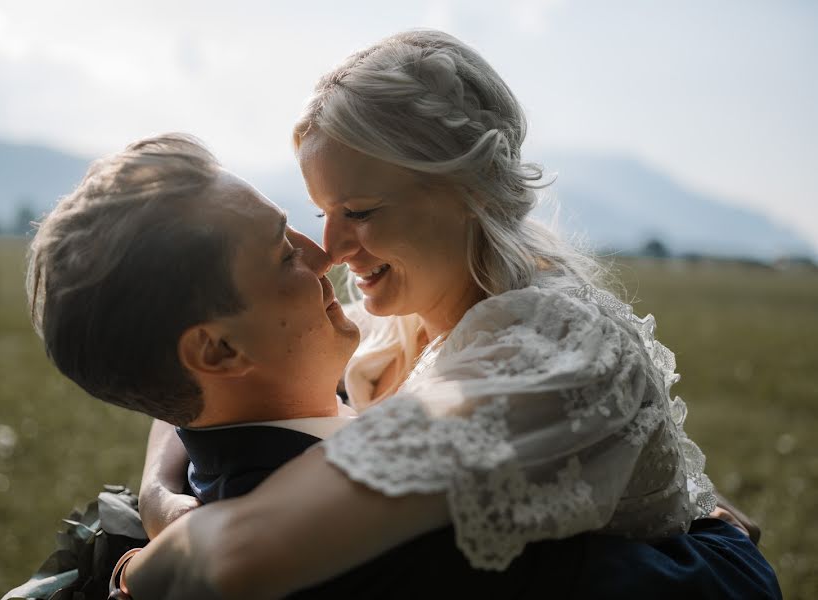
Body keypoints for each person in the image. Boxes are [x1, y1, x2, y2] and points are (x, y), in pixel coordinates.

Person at [128, 30, 780, 599]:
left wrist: (134, 571)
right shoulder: (399, 315)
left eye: (359, 212)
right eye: (321, 209)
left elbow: (241, 553)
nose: (329, 247)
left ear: (467, 191)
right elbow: (204, 377)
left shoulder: (550, 344)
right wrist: (159, 489)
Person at [17, 133, 606, 600]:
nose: (325, 254)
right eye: (282, 253)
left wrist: (155, 489)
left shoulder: (219, 429)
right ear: (219, 352)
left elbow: (178, 406)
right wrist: (701, 521)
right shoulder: (355, 541)